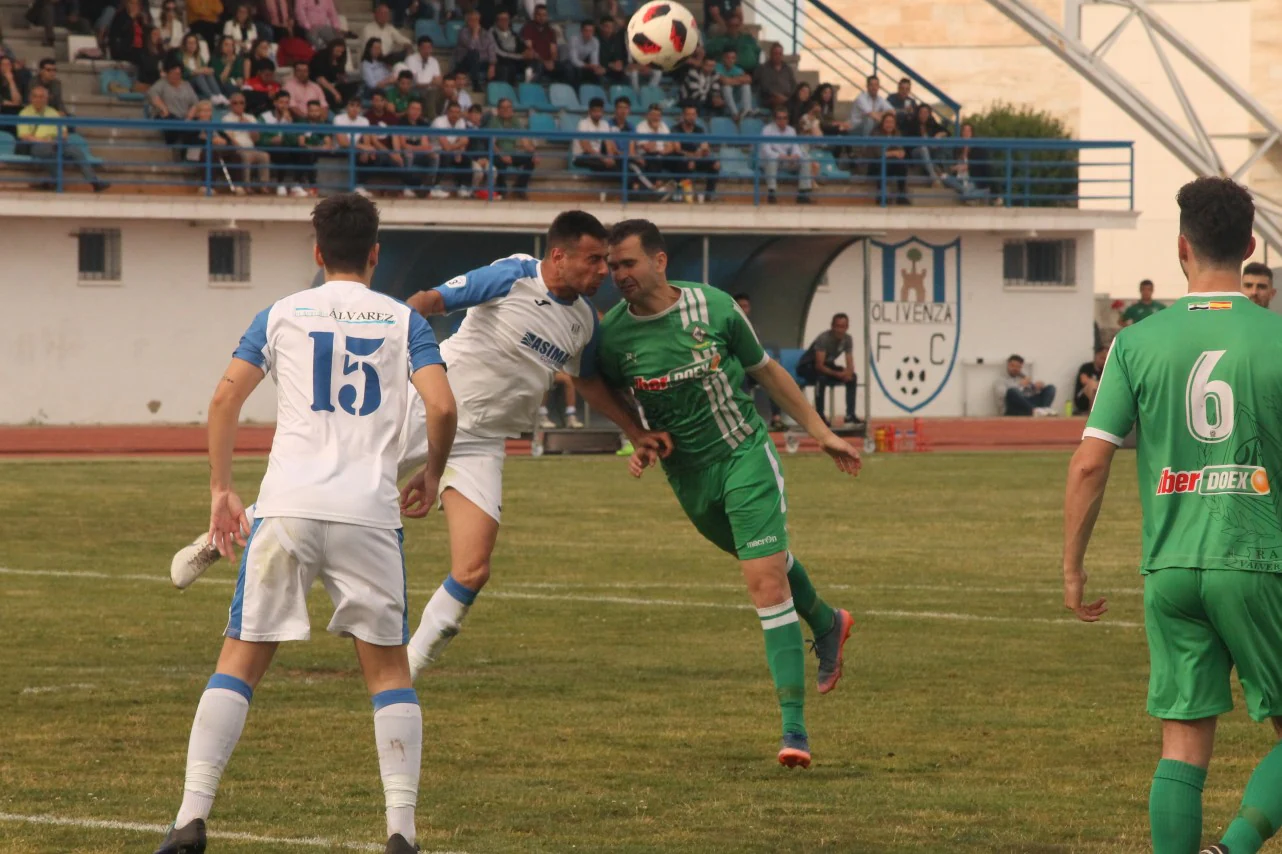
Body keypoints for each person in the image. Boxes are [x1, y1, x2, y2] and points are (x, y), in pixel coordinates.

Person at [169, 213, 672, 685]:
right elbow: (430, 301)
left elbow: (588, 383)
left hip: (481, 442)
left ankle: (409, 665)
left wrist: (635, 429)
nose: (603, 271)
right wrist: (393, 352)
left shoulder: (584, 319)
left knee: (473, 568)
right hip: (427, 411)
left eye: (607, 261)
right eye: (594, 260)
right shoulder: (513, 275)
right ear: (559, 257)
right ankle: (216, 540)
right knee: (327, 484)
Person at [149, 193, 456, 854]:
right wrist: (432, 472)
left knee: (241, 660)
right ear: (376, 254)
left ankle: (189, 819)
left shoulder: (282, 313)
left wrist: (222, 489)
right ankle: (401, 831)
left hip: (286, 508)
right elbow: (442, 405)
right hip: (368, 515)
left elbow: (226, 396)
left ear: (318, 254)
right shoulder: (405, 321)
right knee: (388, 674)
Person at [1061, 176, 1282, 854]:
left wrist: (1072, 566)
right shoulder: (1274, 337)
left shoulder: (1134, 343)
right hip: (1256, 559)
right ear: (1249, 246)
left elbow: (1090, 462)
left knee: (1183, 744)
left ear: (1180, 246)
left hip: (1170, 569)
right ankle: (1236, 849)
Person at [597, 219, 858, 768]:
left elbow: (767, 372)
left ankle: (795, 731)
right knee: (769, 562)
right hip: (688, 478)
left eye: (627, 262)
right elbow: (595, 385)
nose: (618, 274)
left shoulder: (714, 308)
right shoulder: (614, 335)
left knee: (764, 583)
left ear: (659, 261)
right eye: (612, 265)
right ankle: (829, 622)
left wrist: (822, 432)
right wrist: (638, 437)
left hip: (744, 457)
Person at [16, 84, 109, 192]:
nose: (39, 99)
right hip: (37, 144)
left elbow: (64, 133)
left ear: (47, 99)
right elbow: (24, 136)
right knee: (48, 151)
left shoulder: (53, 112)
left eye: (42, 97)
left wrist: (57, 140)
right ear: (31, 98)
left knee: (76, 151)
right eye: (36, 96)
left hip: (56, 142)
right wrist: (46, 141)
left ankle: (94, 182)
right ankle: (57, 182)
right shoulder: (24, 113)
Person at [799, 312, 859, 426]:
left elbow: (850, 362)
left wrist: (848, 373)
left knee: (853, 377)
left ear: (847, 327)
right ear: (832, 326)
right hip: (808, 366)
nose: (840, 330)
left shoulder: (848, 339)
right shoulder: (824, 338)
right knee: (821, 378)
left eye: (843, 327)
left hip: (827, 365)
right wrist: (838, 374)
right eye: (837, 326)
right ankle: (820, 416)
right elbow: (819, 365)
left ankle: (850, 416)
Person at [735, 293, 783, 429]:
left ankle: (776, 418)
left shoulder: (752, 328)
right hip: (736, 368)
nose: (744, 309)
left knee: (772, 378)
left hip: (751, 368)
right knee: (741, 379)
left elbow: (757, 351)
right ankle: (745, 420)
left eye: (746, 306)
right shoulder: (728, 325)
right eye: (740, 306)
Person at [484, 96, 535, 200]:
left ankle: (519, 188)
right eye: (503, 108)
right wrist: (502, 155)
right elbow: (492, 144)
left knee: (531, 160)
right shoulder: (494, 122)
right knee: (500, 163)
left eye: (509, 107)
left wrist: (533, 152)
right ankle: (502, 190)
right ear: (498, 110)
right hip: (497, 153)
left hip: (512, 153)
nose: (506, 110)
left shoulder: (515, 121)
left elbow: (524, 141)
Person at [760, 105, 812, 205]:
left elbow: (795, 147)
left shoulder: (791, 130)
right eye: (779, 118)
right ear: (775, 119)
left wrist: (795, 156)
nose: (782, 121)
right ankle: (772, 193)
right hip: (770, 161)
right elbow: (766, 151)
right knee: (772, 160)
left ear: (788, 119)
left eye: (785, 118)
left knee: (805, 159)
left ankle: (802, 194)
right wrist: (783, 157)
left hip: (786, 160)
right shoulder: (767, 130)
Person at [671, 104, 718, 203]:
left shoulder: (699, 130)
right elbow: (677, 149)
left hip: (697, 159)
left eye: (693, 114)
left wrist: (701, 153)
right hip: (682, 159)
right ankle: (683, 194)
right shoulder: (676, 129)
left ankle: (709, 195)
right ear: (683, 116)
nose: (691, 117)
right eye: (688, 114)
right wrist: (691, 156)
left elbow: (705, 148)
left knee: (715, 164)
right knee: (684, 163)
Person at [394, 98, 436, 197]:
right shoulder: (401, 122)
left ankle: (428, 188)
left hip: (418, 153)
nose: (415, 112)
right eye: (413, 108)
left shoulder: (423, 124)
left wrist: (418, 148)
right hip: (405, 153)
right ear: (408, 110)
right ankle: (406, 186)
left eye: (418, 109)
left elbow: (425, 145)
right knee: (408, 154)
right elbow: (403, 145)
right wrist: (418, 148)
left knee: (434, 156)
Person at [573, 97, 620, 179]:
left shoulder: (604, 124)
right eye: (595, 111)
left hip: (598, 156)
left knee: (617, 163)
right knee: (610, 167)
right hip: (582, 156)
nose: (598, 113)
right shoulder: (583, 124)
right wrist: (603, 159)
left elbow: (609, 143)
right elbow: (586, 147)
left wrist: (610, 157)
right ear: (589, 111)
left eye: (600, 111)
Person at [870, 111, 907, 206]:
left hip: (892, 163)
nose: (889, 125)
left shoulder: (897, 133)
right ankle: (881, 195)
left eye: (892, 122)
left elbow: (900, 150)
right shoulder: (876, 133)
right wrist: (893, 153)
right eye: (887, 122)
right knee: (882, 163)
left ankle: (901, 194)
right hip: (875, 163)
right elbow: (878, 153)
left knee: (902, 164)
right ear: (882, 123)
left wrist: (899, 153)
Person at [453, 10, 496, 92]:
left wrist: (492, 65)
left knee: (501, 65)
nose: (475, 23)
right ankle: (476, 83)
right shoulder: (463, 33)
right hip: (465, 61)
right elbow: (471, 47)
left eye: (476, 20)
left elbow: (491, 48)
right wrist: (475, 34)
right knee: (474, 54)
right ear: (467, 21)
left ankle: (494, 88)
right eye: (472, 20)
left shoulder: (486, 33)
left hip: (482, 61)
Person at [490, 11, 533, 85]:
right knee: (508, 66)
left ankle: (529, 86)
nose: (505, 22)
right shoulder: (491, 33)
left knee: (534, 63)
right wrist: (521, 56)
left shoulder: (513, 33)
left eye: (506, 19)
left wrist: (528, 51)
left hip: (515, 59)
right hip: (500, 61)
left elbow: (521, 45)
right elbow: (500, 53)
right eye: (502, 19)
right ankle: (507, 90)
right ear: (497, 21)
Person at [753, 43, 795, 112]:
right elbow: (765, 87)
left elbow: (793, 85)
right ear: (771, 54)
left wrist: (788, 97)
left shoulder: (788, 69)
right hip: (770, 98)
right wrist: (777, 95)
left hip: (787, 98)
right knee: (778, 101)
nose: (778, 56)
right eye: (775, 54)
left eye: (780, 54)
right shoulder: (763, 69)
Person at [715, 48, 752, 120]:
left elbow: (748, 79)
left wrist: (731, 80)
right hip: (721, 97)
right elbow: (724, 81)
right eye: (728, 58)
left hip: (734, 95)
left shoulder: (738, 69)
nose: (730, 60)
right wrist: (739, 80)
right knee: (726, 87)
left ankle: (747, 110)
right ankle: (735, 113)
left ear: (736, 59)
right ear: (723, 58)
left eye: (733, 58)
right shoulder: (717, 67)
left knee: (746, 86)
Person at [1072, 346, 1108, 415]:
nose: (1104, 361)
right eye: (1102, 358)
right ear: (1096, 356)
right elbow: (1084, 380)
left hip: (1101, 398)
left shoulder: (1106, 370)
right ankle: (1094, 413)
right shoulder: (1086, 367)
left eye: (1106, 359)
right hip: (1083, 400)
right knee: (1092, 385)